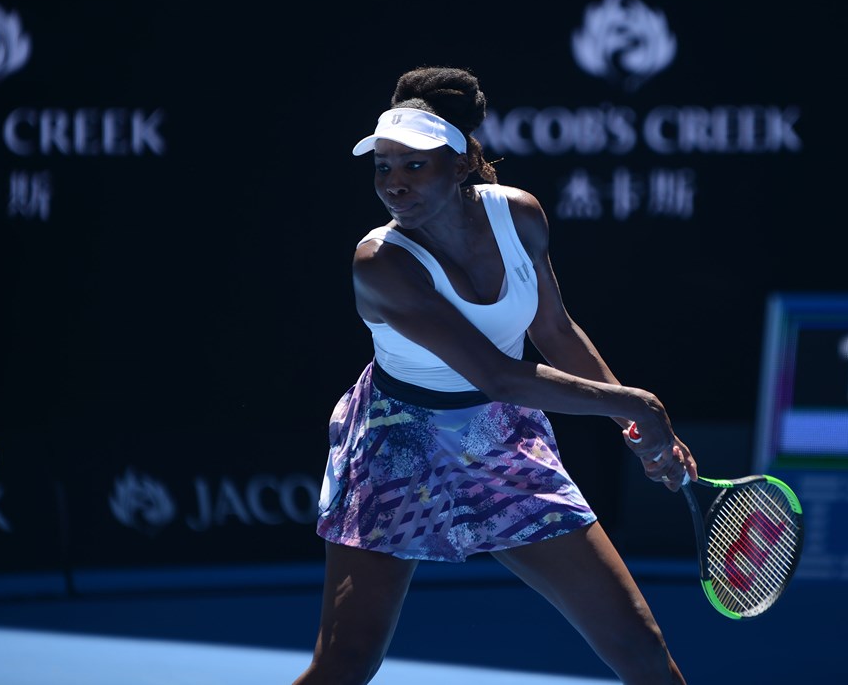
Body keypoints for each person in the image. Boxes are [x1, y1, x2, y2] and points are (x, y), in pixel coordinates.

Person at [292, 65, 697, 685]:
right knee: (345, 665)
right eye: (383, 167)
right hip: (394, 445)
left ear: (459, 167)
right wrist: (643, 407)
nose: (394, 184)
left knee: (639, 644)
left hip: (500, 440)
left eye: (414, 166)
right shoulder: (379, 264)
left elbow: (555, 332)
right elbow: (501, 377)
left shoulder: (520, 218)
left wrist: (631, 426)